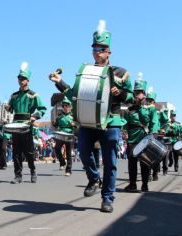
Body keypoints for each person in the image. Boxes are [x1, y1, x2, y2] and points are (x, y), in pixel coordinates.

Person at [49, 20, 133, 212]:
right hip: (87, 122)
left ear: (109, 52)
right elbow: (75, 94)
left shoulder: (120, 72)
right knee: (84, 151)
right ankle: (94, 179)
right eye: (94, 48)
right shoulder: (86, 71)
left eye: (101, 49)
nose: (97, 52)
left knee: (110, 162)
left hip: (111, 120)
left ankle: (107, 198)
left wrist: (119, 93)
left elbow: (131, 99)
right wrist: (59, 82)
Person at [6, 62, 47, 184]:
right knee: (16, 152)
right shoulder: (14, 96)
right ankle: (18, 175)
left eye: (23, 78)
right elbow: (11, 108)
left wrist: (34, 116)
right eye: (19, 78)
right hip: (15, 125)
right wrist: (8, 108)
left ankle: (33, 171)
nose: (20, 80)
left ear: (27, 80)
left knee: (29, 152)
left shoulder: (33, 95)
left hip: (26, 125)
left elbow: (42, 108)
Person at [123, 74, 156, 192]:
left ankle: (145, 184)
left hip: (144, 138)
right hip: (132, 138)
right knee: (132, 163)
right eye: (135, 92)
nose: (136, 94)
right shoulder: (130, 109)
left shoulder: (150, 108)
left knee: (145, 163)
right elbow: (125, 123)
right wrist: (125, 132)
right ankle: (132, 184)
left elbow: (154, 122)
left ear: (144, 94)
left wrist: (152, 134)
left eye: (139, 92)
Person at [52, 97, 75, 176]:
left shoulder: (73, 116)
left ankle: (68, 170)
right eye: (64, 106)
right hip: (61, 134)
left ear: (70, 107)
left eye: (67, 106)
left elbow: (78, 126)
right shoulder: (59, 116)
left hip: (69, 135)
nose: (65, 107)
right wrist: (54, 123)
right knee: (56, 149)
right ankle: (62, 162)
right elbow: (55, 125)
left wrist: (74, 125)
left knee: (68, 153)